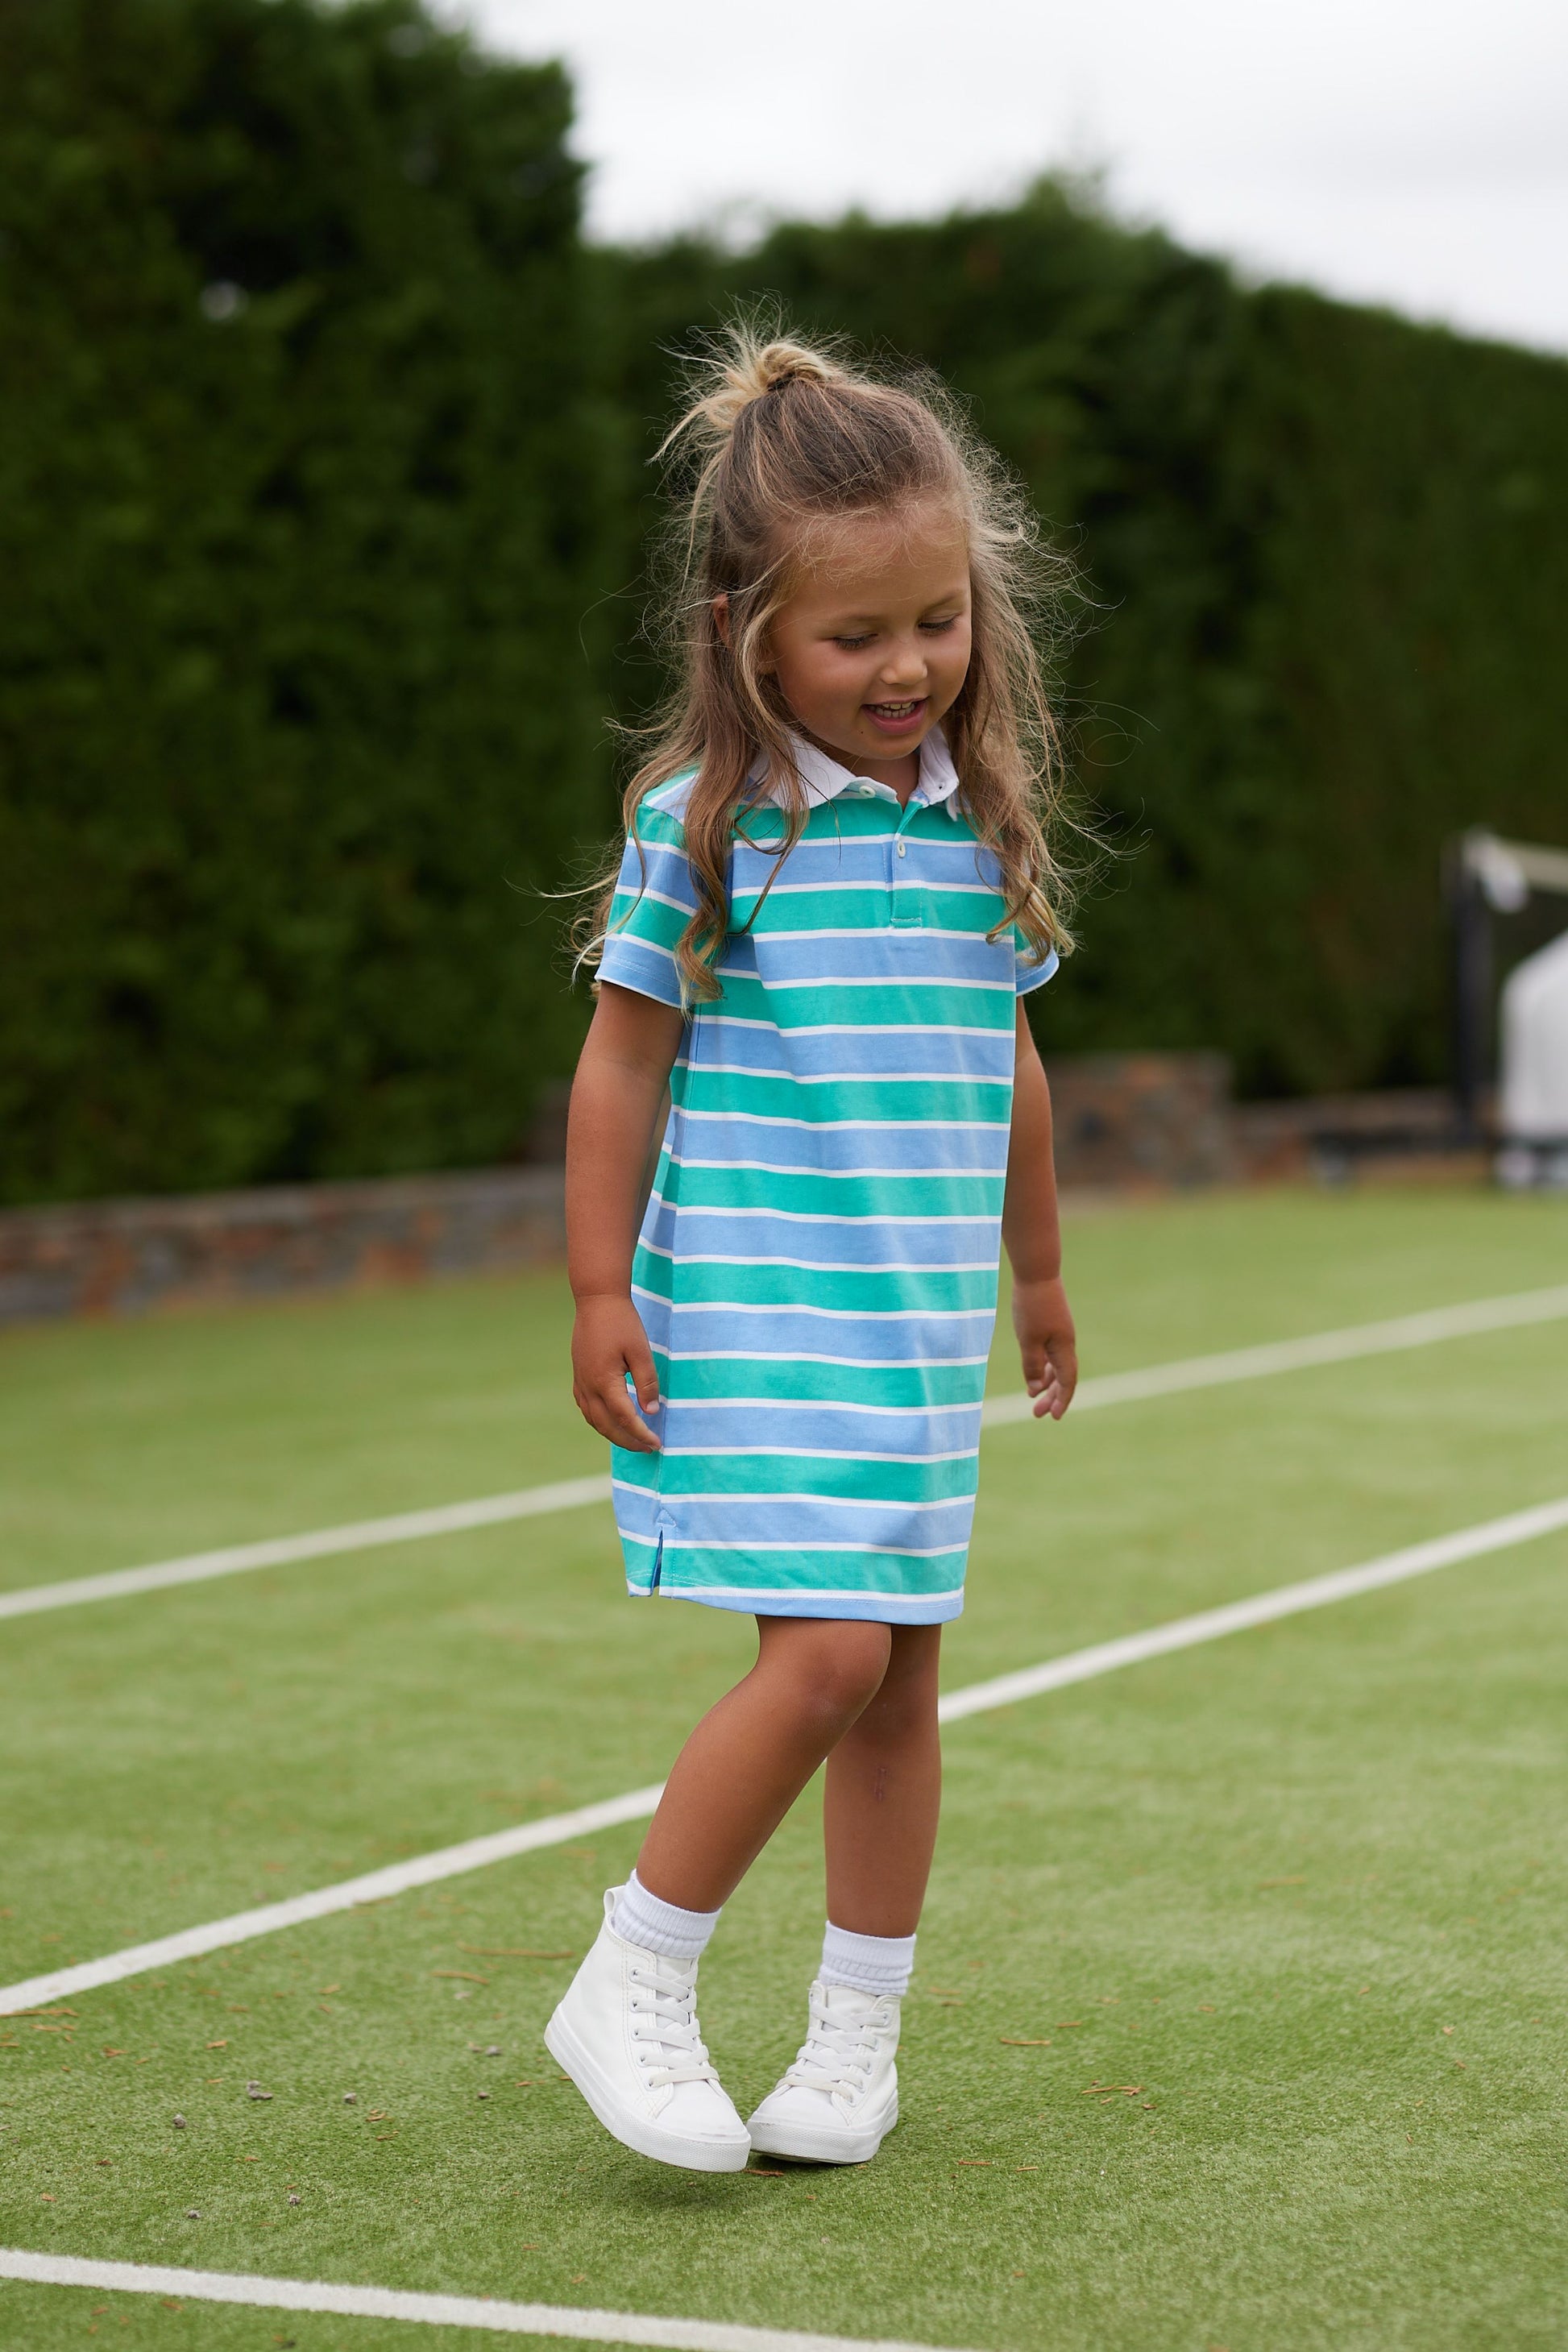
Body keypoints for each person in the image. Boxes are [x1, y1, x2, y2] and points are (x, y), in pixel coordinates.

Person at [546, 323, 1080, 2173]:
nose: (909, 665)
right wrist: (597, 1284)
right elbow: (620, 1057)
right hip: (761, 1309)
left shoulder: (980, 831)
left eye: (937, 619)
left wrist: (1036, 1273)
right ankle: (635, 1964)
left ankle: (853, 2045)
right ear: (745, 632)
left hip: (914, 1327)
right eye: (857, 635)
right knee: (833, 1651)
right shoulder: (706, 830)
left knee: (901, 1672)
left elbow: (1009, 1063)